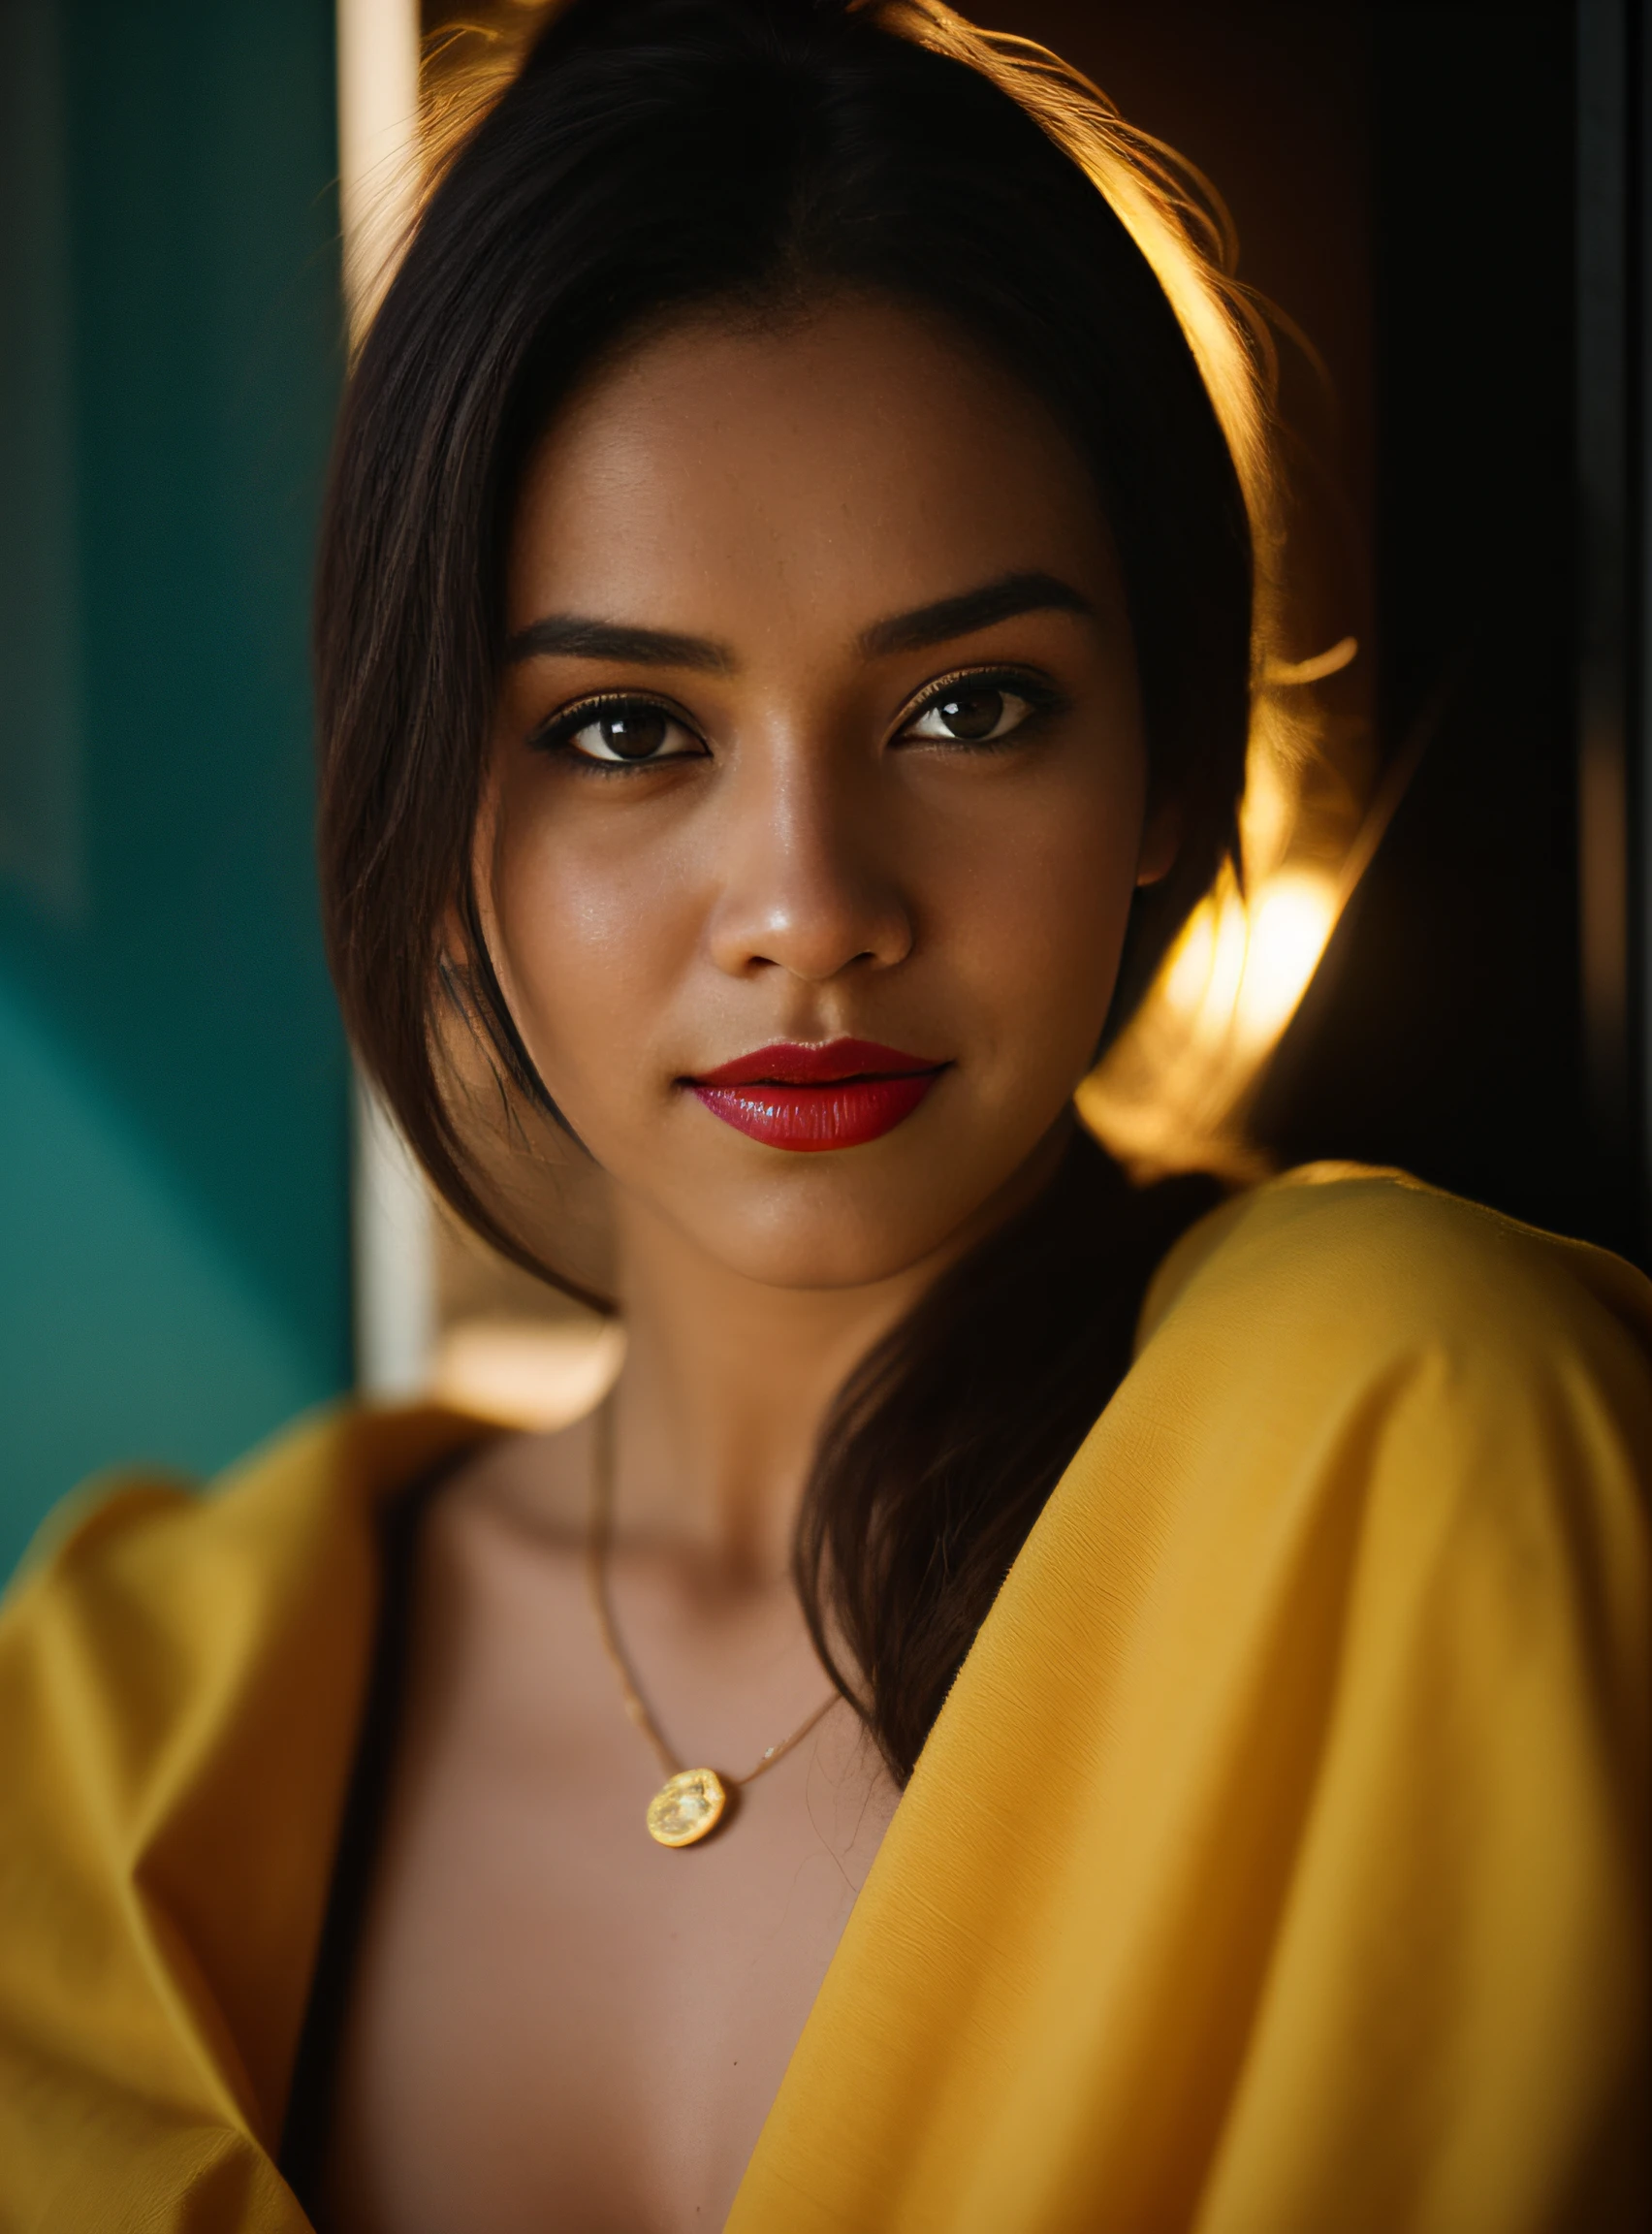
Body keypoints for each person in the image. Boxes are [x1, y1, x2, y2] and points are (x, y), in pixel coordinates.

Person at [1, 1, 1646, 2227]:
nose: (809, 908)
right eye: (623, 732)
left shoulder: (1422, 1434)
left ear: (1162, 759)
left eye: (972, 707)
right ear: (432, 794)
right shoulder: (103, 1721)